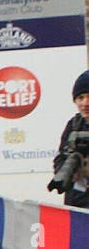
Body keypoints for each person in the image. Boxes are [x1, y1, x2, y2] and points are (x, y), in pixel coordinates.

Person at [52, 71, 89, 209]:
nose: (85, 103)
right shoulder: (73, 124)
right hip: (75, 201)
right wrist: (66, 172)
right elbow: (60, 156)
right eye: (80, 98)